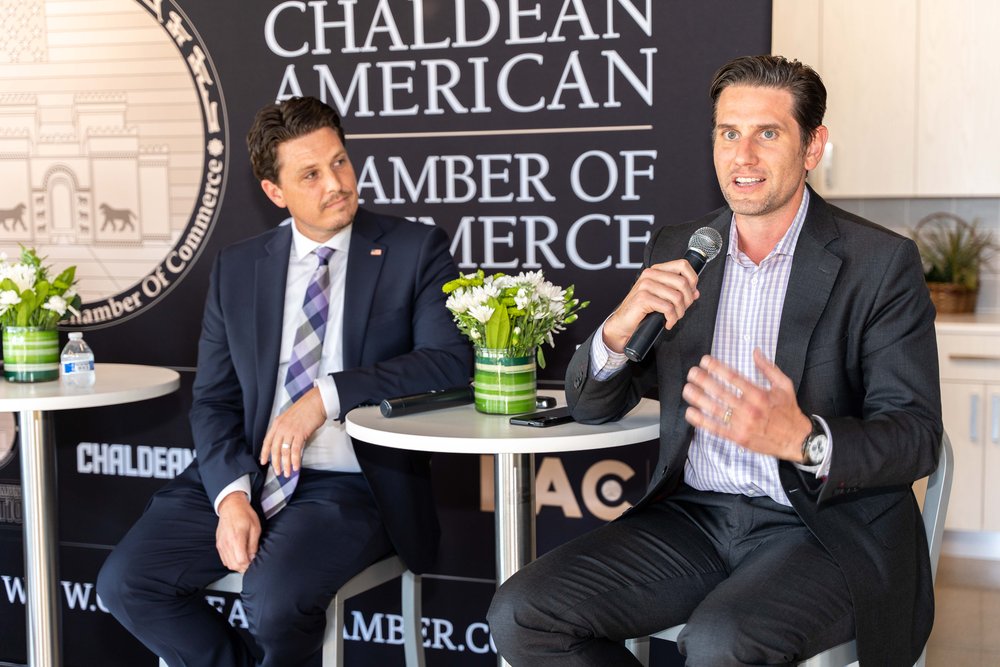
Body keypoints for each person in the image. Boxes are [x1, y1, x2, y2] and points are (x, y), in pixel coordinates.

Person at [487, 55, 942, 666]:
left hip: (821, 527)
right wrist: (617, 333)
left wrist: (803, 439)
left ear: (813, 147)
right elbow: (591, 407)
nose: (742, 155)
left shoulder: (880, 263)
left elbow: (915, 438)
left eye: (768, 133)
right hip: (694, 518)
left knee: (719, 643)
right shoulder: (684, 249)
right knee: (523, 614)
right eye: (728, 133)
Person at [97, 96, 472, 666]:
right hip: (246, 471)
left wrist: (326, 396)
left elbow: (448, 361)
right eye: (311, 174)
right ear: (275, 192)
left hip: (349, 482)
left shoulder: (413, 249)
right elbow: (214, 400)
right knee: (127, 582)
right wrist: (231, 496)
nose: (337, 183)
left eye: (340, 162)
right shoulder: (238, 268)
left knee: (272, 601)